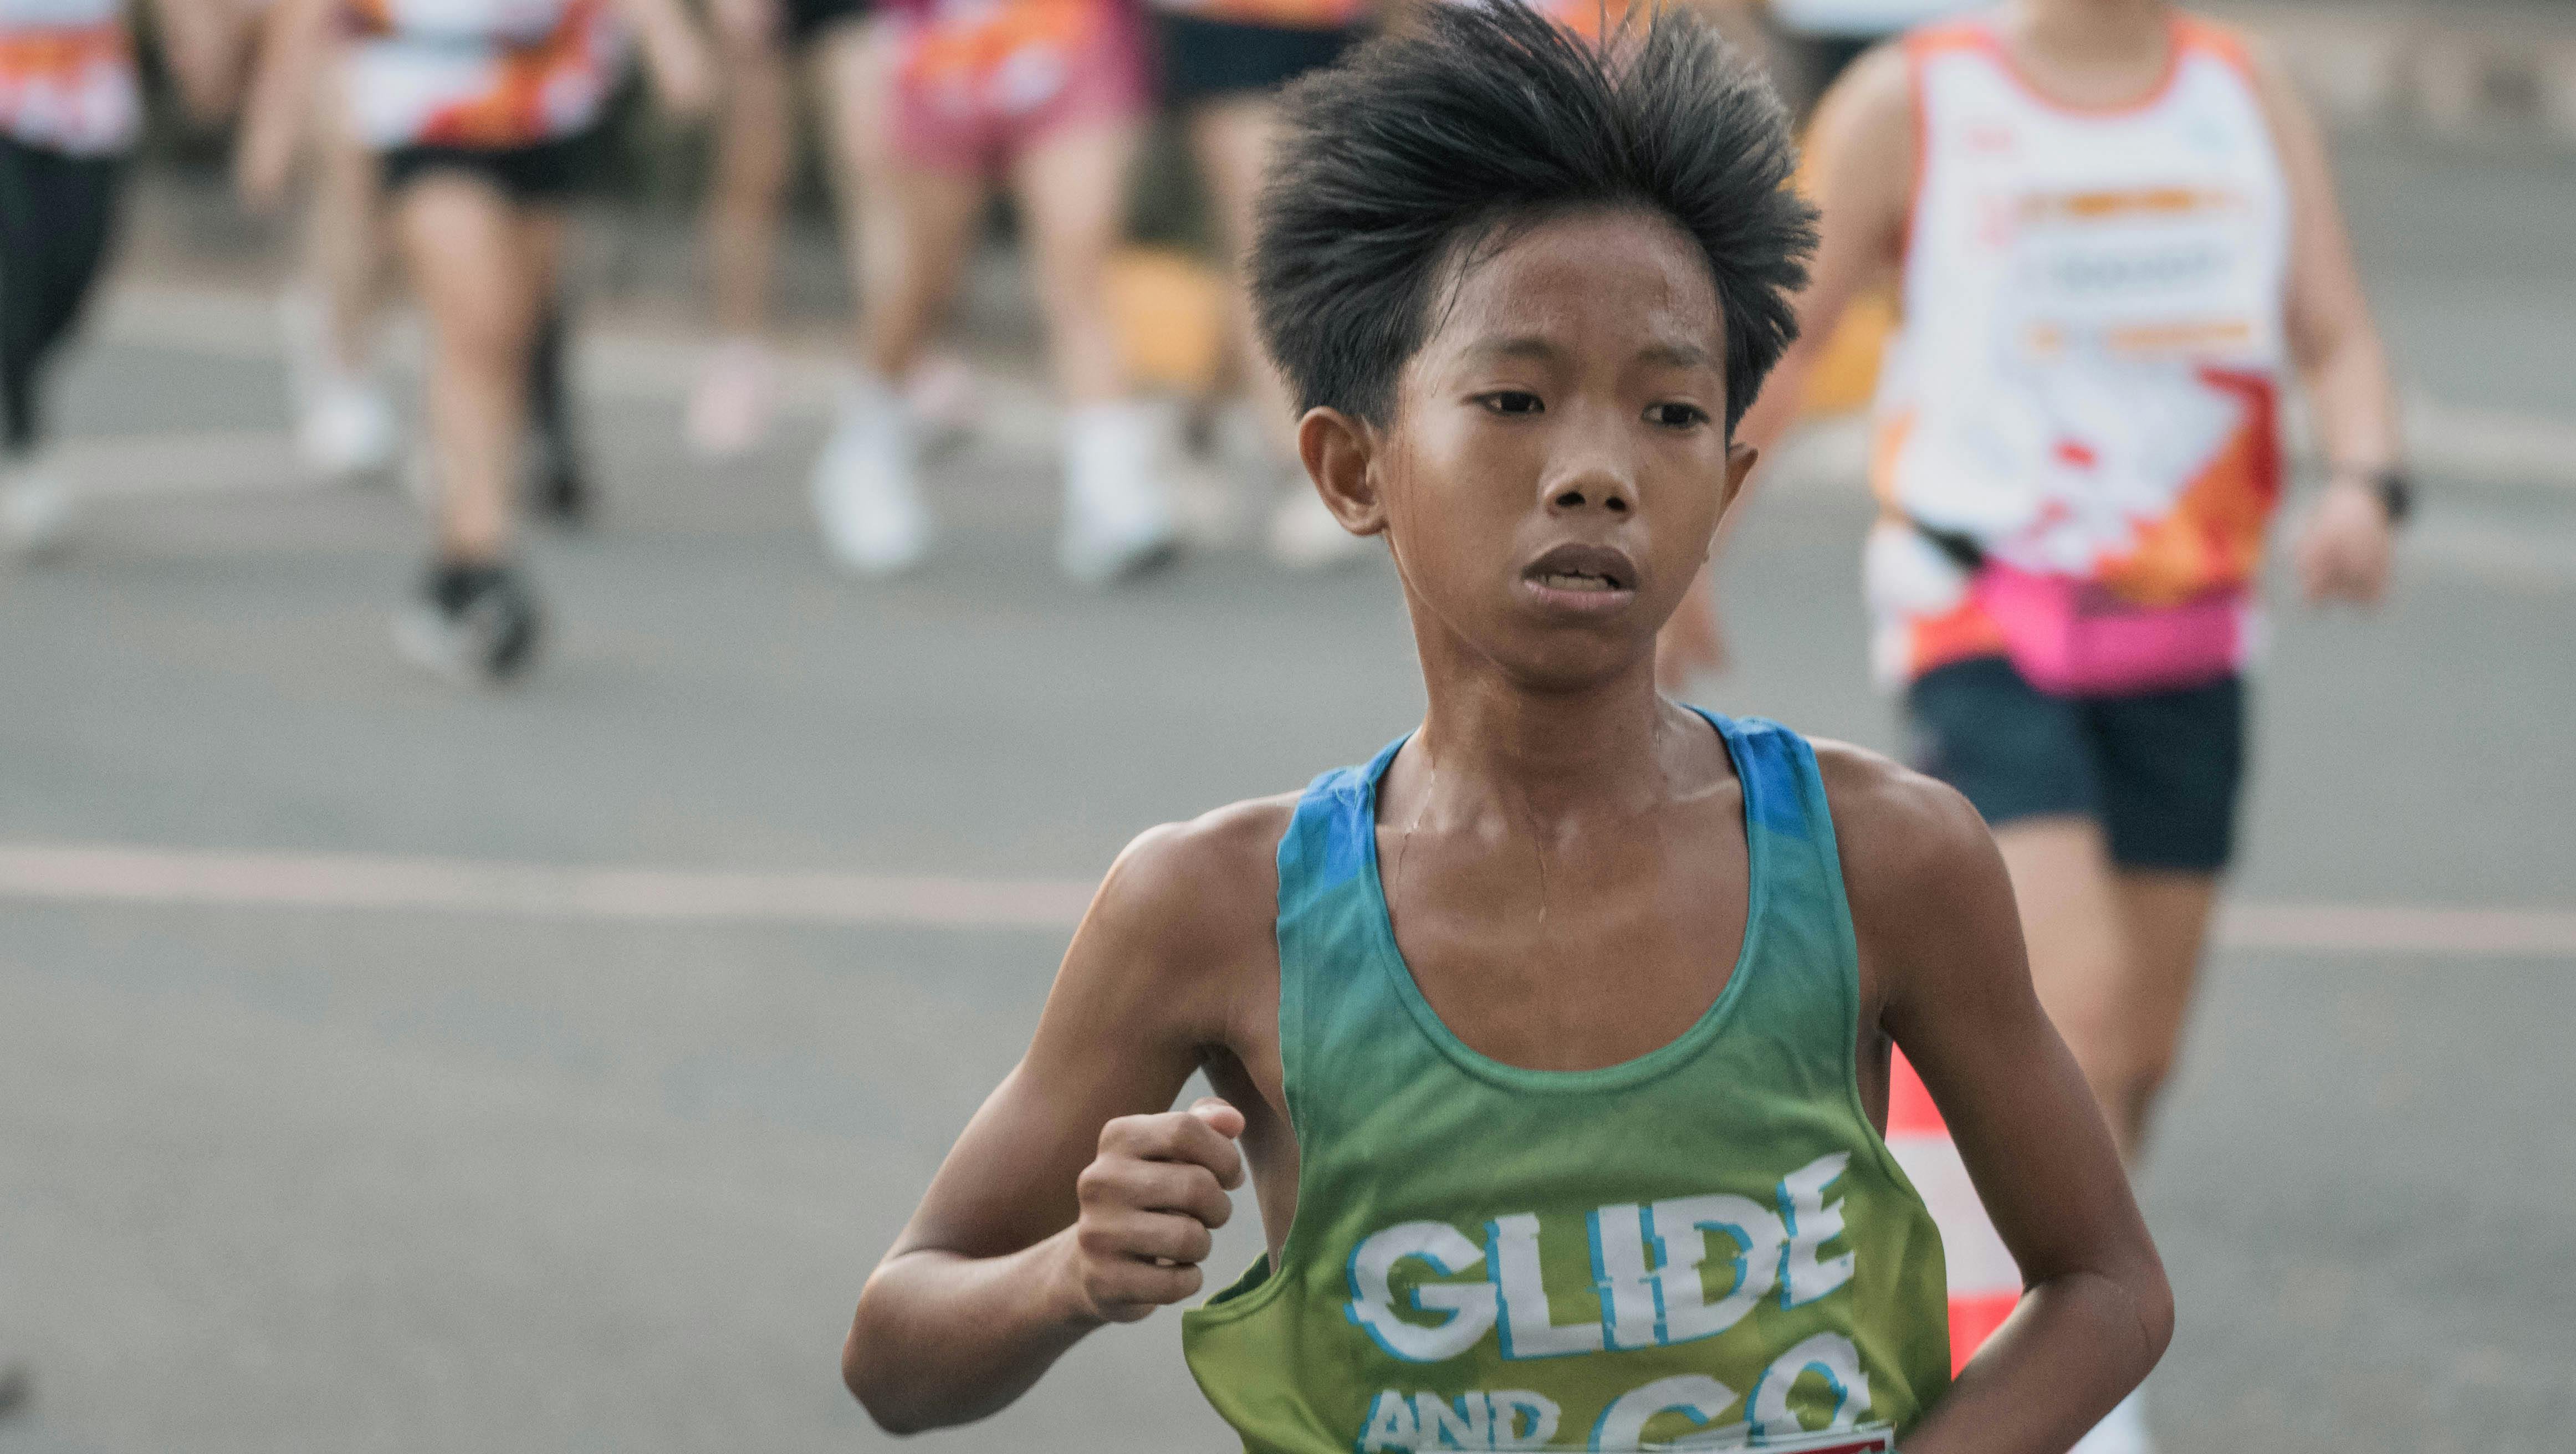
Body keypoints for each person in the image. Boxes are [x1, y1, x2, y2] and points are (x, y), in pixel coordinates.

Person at [841, 7, 2171, 1450]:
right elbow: (897, 1352)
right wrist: (1069, 1277)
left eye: (1669, 413)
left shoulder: (1884, 862)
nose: (1598, 470)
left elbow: (2108, 1284)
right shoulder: (1217, 910)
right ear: (1354, 467)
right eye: (1516, 399)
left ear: (1726, 490)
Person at [1666, 2, 2404, 1447]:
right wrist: (1684, 551)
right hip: (1988, 614)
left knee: (2135, 1050)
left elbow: (2338, 333)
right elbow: (1779, 352)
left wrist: (2366, 482)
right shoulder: (1915, 97)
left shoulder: (2240, 88)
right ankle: (2056, 1379)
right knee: (2069, 999)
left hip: (2191, 627)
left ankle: (2041, 1279)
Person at [238, 0, 711, 683]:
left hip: (542, 92)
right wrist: (275, 112)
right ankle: (481, 554)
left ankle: (459, 549)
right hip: (422, 90)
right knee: (476, 324)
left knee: (516, 329)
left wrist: (667, 34)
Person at [810, 0, 1174, 583]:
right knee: (925, 283)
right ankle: (864, 447)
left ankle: (1107, 486)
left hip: (1071, 38)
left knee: (1081, 264)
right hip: (943, 49)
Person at [0, 0, 230, 555]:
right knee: (19, 270)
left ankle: (17, 383)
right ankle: (26, 443)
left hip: (90, 95)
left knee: (75, 270)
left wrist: (196, 37)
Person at [1150, 0, 1364, 567]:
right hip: (1226, 19)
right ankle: (1301, 463)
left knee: (1318, 231)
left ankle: (1196, 426)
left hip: (1335, 21)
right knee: (1265, 230)